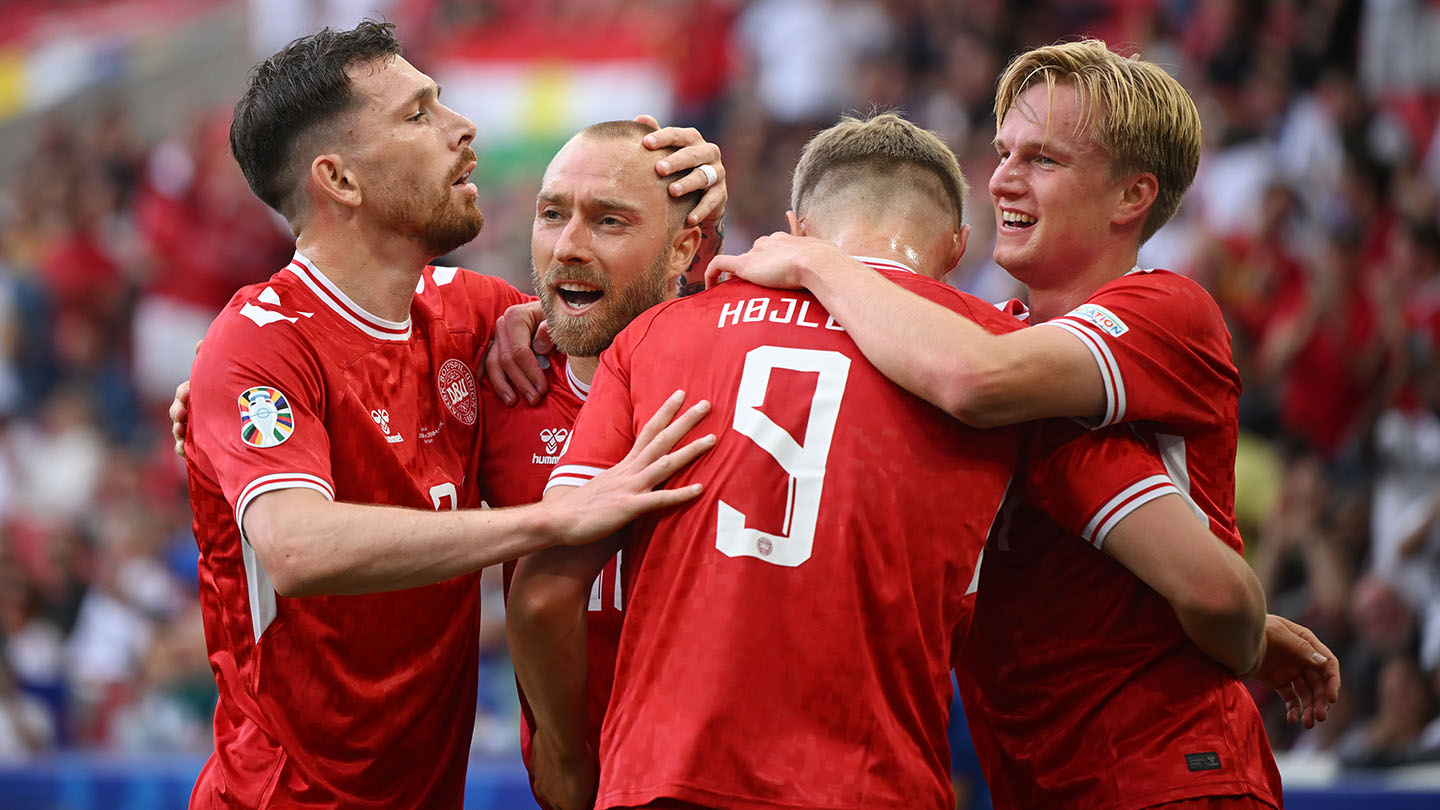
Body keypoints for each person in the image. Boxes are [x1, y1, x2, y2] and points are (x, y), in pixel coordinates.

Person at [505, 113, 1270, 810]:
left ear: (797, 227)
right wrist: (1257, 633)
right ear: (957, 248)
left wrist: (570, 763)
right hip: (874, 784)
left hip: (662, 779)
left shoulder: (661, 333)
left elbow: (543, 592)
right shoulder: (1002, 361)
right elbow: (1210, 587)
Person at [708, 40, 1338, 809]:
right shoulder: (984, 333)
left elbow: (979, 382)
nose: (1002, 177)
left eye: (1042, 159)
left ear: (1131, 196)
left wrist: (818, 261)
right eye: (1004, 152)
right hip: (1037, 782)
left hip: (1165, 778)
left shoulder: (1166, 310)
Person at [183, 22, 717, 808]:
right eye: (418, 115)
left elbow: (627, 313)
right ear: (340, 179)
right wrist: (555, 520)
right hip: (280, 796)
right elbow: (297, 545)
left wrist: (696, 211)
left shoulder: (470, 315)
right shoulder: (256, 344)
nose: (461, 127)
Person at [475, 118, 705, 802]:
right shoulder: (492, 384)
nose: (568, 247)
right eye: (553, 214)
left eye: (609, 221)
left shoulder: (736, 383)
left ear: (682, 248)